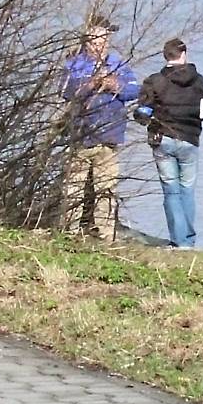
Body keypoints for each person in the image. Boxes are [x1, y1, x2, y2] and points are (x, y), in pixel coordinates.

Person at [62, 14, 139, 241]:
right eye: (97, 42)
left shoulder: (117, 64)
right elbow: (67, 91)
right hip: (82, 135)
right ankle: (70, 230)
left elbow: (135, 90)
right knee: (74, 186)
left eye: (105, 41)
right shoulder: (75, 65)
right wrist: (92, 84)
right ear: (87, 41)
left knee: (107, 189)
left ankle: (106, 233)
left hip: (110, 136)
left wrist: (115, 84)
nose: (101, 46)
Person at [135, 38, 203, 249]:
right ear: (184, 54)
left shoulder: (154, 81)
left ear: (165, 56)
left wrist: (143, 117)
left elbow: (143, 112)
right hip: (190, 140)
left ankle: (178, 240)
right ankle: (187, 241)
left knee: (171, 191)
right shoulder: (200, 81)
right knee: (187, 190)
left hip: (163, 140)